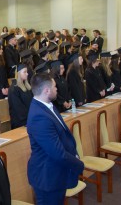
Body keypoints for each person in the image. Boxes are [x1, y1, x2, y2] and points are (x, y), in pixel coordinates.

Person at [27, 73, 84, 205]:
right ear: (46, 90)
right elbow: (57, 152)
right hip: (47, 176)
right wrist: (78, 164)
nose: (57, 88)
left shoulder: (46, 105)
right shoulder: (39, 117)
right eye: (54, 86)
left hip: (55, 172)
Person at [7, 63, 33, 129]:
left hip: (30, 118)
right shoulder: (13, 89)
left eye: (27, 72)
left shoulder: (27, 86)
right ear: (18, 73)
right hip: (20, 122)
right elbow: (18, 109)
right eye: (24, 72)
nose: (27, 74)